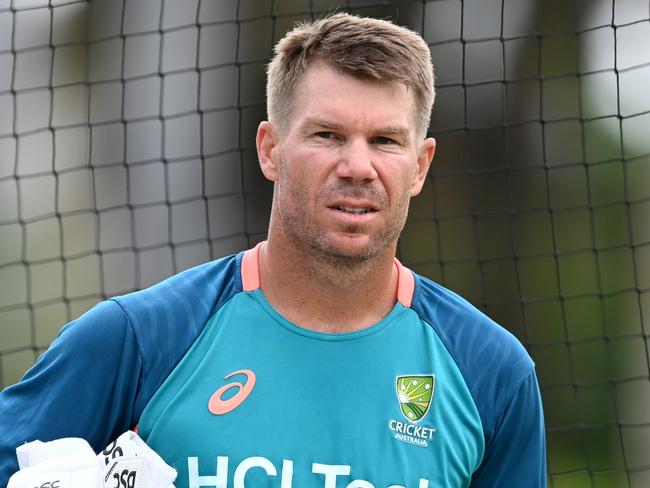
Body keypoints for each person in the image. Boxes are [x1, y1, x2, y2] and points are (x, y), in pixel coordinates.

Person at [0, 13, 546, 488]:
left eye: (384, 140)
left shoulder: (491, 372)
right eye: (327, 135)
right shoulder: (138, 341)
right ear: (270, 151)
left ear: (420, 165)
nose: (357, 166)